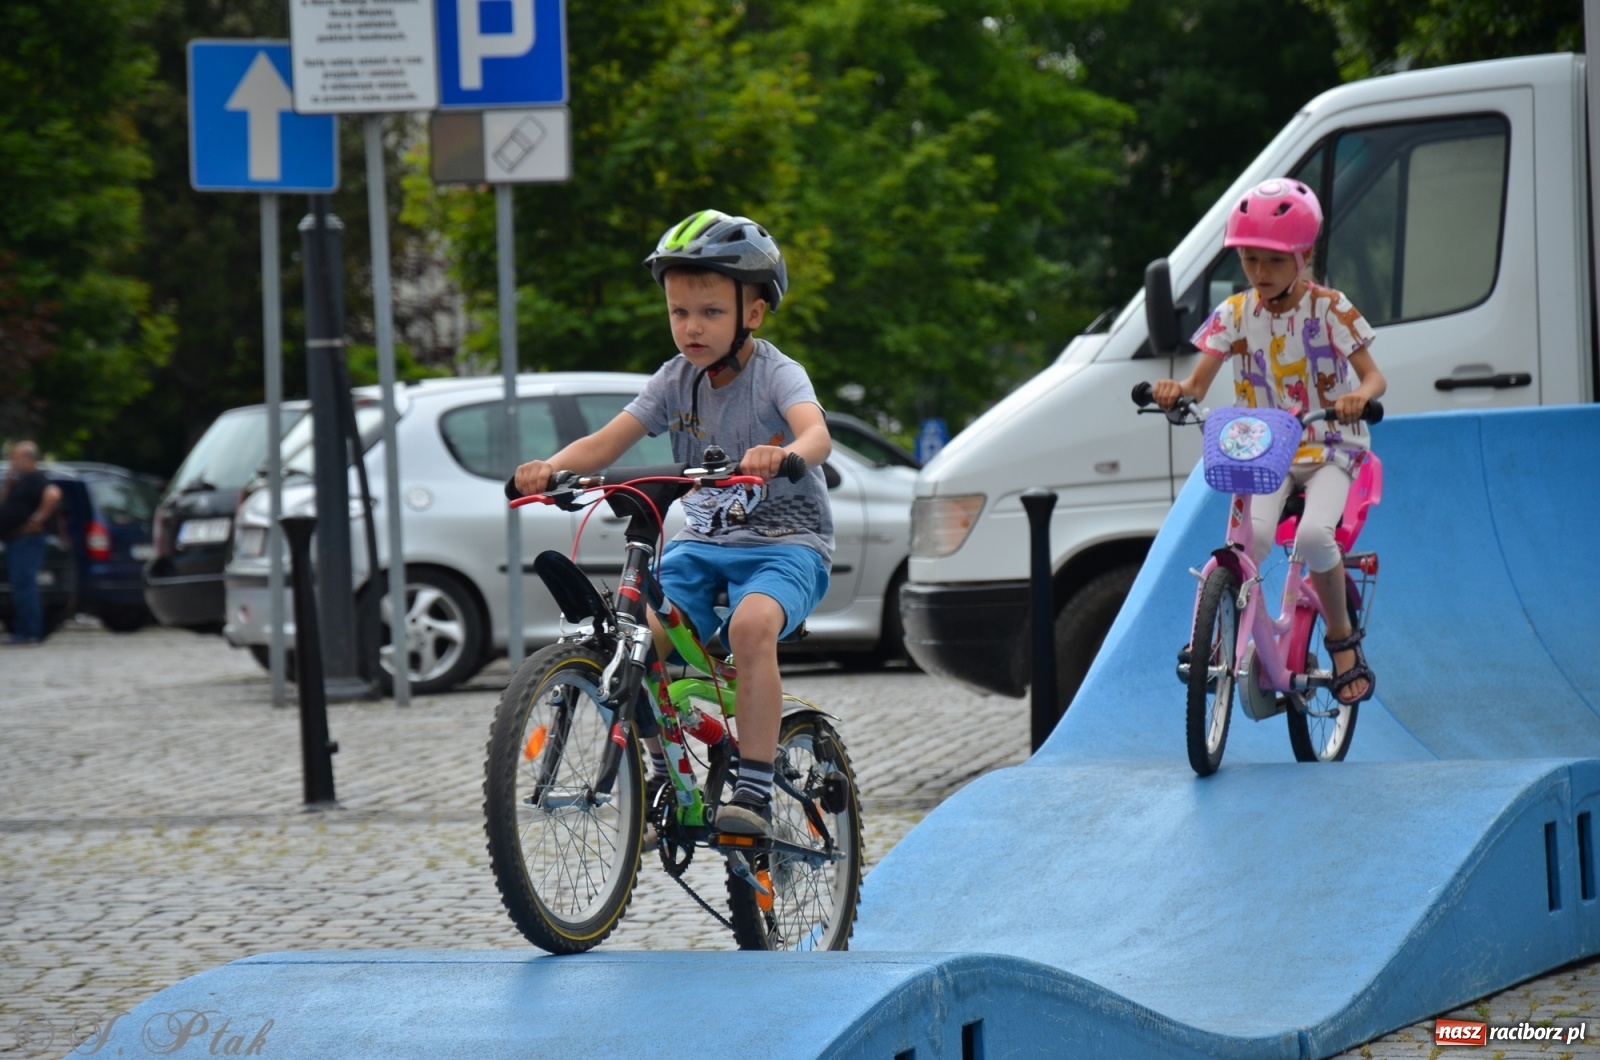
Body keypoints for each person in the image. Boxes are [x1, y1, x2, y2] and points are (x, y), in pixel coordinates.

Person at [512, 210, 833, 834]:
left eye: (711, 312)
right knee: (637, 637)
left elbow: (816, 432)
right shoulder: (674, 381)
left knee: (752, 626)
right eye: (678, 311)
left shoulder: (777, 373)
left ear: (753, 314)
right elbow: (607, 443)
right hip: (704, 543)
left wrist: (786, 454)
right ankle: (665, 769)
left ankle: (756, 789)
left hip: (786, 544)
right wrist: (549, 469)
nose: (691, 326)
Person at [1150, 178, 1387, 705]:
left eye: (1274, 261)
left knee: (1314, 538)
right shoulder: (1236, 313)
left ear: (1303, 256)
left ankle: (1341, 639)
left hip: (1329, 447)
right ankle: (1218, 639)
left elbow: (1374, 379)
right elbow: (1196, 383)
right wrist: (1176, 392)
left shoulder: (1330, 309)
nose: (1259, 273)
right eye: (1250, 260)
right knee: (1247, 544)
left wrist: (1358, 398)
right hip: (1265, 452)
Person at [1, 441, 63, 646]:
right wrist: (9, 485)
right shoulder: (20, 482)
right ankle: (24, 630)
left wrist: (38, 518)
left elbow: (53, 494)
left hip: (27, 540)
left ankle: (29, 632)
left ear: (30, 459)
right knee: (20, 586)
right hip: (16, 539)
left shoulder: (36, 479)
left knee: (25, 585)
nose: (13, 462)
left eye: (16, 458)